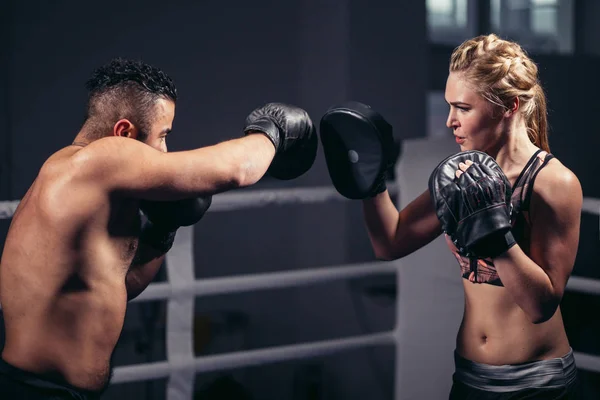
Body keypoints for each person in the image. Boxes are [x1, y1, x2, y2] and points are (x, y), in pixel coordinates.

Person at [0, 58, 317, 399]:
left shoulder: (76, 178)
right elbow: (235, 170)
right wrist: (271, 130)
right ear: (123, 133)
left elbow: (120, 284)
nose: (165, 151)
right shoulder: (98, 160)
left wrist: (163, 231)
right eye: (163, 136)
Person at [319, 34, 582, 399]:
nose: (449, 122)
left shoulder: (554, 182)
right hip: (470, 377)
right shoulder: (462, 175)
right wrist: (370, 183)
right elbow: (390, 242)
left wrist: (497, 236)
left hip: (537, 384)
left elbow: (541, 305)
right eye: (449, 106)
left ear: (509, 105)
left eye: (463, 108)